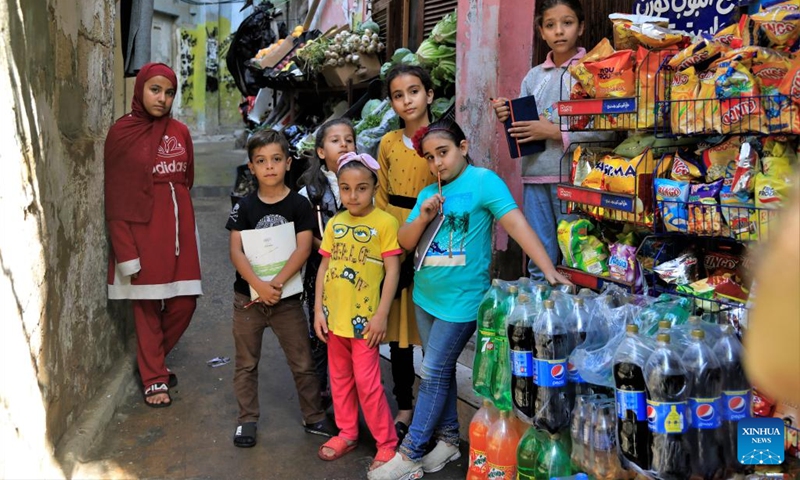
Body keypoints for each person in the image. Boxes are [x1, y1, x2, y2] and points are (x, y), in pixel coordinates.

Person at [368, 119, 571, 480]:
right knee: (438, 369)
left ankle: (411, 452)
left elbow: (516, 224)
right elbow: (405, 241)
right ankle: (448, 440)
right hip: (425, 297)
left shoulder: (483, 182)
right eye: (430, 157)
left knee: (432, 371)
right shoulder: (428, 193)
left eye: (443, 153)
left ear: (462, 147)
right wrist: (424, 215)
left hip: (462, 302)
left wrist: (548, 269)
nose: (437, 163)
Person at [226, 129, 336, 448]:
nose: (269, 166)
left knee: (302, 361)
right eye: (261, 161)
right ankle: (247, 419)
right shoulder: (244, 207)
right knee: (246, 363)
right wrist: (258, 285)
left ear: (288, 163)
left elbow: (303, 247)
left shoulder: (298, 205)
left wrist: (275, 284)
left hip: (286, 298)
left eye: (276, 159)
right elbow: (236, 251)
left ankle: (313, 416)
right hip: (248, 300)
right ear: (251, 167)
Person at [104, 62, 202, 408]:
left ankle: (151, 360)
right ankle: (154, 377)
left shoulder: (180, 131)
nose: (162, 98)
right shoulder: (122, 133)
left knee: (185, 303)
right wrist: (126, 251)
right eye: (155, 90)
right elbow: (116, 198)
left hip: (178, 229)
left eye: (169, 92)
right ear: (140, 89)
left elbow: (187, 178)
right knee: (146, 306)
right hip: (142, 233)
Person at [492, 0, 608, 282]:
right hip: (535, 176)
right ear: (541, 32)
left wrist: (555, 132)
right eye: (550, 25)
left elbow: (607, 131)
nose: (559, 31)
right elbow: (525, 128)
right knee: (538, 256)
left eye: (567, 23)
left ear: (581, 27)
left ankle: (575, 306)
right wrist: (507, 115)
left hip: (575, 179)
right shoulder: (533, 77)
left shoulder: (593, 71)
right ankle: (540, 306)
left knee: (577, 252)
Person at [313, 152, 402, 470]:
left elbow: (393, 271)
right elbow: (324, 268)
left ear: (375, 188)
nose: (353, 195)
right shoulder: (335, 223)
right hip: (334, 320)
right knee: (339, 380)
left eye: (361, 188)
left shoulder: (385, 223)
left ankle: (386, 442)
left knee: (368, 383)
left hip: (365, 325)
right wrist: (318, 310)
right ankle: (347, 433)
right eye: (346, 188)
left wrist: (381, 315)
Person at [376, 64, 439, 439]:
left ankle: (436, 408)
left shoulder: (442, 140)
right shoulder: (387, 143)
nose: (407, 101)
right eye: (398, 95)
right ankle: (404, 405)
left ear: (429, 95)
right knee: (399, 332)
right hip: (396, 236)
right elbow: (381, 196)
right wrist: (389, 244)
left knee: (430, 327)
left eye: (414, 91)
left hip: (434, 235)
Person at [297, 118, 357, 409]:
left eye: (349, 139)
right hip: (319, 274)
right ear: (321, 152)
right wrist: (326, 247)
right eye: (335, 141)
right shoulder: (309, 192)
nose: (344, 144)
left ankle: (350, 394)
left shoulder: (365, 184)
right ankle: (320, 395)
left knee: (352, 332)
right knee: (320, 332)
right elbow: (302, 233)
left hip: (356, 276)